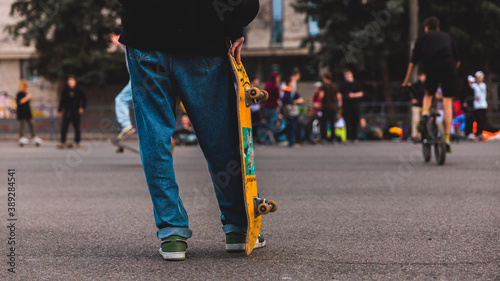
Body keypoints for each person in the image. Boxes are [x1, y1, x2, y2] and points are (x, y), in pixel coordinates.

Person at [118, 0, 264, 261]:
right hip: (203, 37)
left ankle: (172, 232)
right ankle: (238, 228)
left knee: (155, 138)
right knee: (219, 136)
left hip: (144, 37)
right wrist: (234, 24)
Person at [402, 16, 460, 153]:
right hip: (449, 68)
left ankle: (426, 113)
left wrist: (406, 81)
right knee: (447, 103)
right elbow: (457, 60)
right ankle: (446, 139)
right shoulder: (447, 37)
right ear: (438, 27)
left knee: (428, 94)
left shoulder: (422, 38)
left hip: (432, 68)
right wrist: (452, 73)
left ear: (426, 28)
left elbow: (413, 63)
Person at [110, 28, 136, 141]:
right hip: (147, 79)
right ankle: (167, 137)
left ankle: (127, 126)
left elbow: (125, 43)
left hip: (138, 80)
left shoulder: (129, 42)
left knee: (121, 100)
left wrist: (118, 40)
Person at [57, 76, 86, 149]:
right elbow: (62, 101)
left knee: (77, 127)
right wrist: (60, 110)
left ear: (75, 82)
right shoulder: (65, 90)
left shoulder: (78, 90)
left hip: (76, 111)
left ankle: (78, 141)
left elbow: (84, 99)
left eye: (72, 81)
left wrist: (82, 107)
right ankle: (62, 141)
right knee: (64, 127)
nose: (70, 83)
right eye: (69, 81)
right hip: (67, 111)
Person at [339, 70, 364, 142]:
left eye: (348, 76)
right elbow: (340, 93)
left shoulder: (356, 83)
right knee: (347, 121)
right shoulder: (343, 84)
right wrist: (340, 102)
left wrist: (353, 95)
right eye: (345, 76)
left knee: (355, 121)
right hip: (346, 105)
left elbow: (361, 93)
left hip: (355, 105)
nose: (347, 78)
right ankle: (348, 137)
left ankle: (355, 137)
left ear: (351, 76)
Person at [16, 80, 42, 145]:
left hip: (28, 112)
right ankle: (22, 137)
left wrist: (29, 97)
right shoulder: (19, 94)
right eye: (26, 87)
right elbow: (20, 101)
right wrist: (27, 98)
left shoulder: (25, 94)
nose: (27, 89)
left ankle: (34, 136)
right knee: (22, 126)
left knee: (31, 124)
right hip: (22, 113)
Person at [279, 77, 304, 147]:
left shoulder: (286, 90)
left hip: (288, 111)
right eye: (291, 83)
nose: (293, 84)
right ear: (289, 83)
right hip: (289, 111)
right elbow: (285, 99)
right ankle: (291, 142)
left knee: (289, 126)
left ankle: (289, 140)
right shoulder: (287, 90)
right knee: (291, 126)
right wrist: (292, 102)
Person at [319, 72, 340, 143]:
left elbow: (321, 96)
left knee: (324, 123)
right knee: (332, 123)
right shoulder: (334, 86)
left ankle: (323, 138)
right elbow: (338, 96)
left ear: (325, 78)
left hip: (325, 106)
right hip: (333, 107)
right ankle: (333, 137)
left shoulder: (323, 86)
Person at [410, 73, 426, 140]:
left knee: (422, 122)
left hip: (424, 106)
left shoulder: (427, 85)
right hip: (416, 105)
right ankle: (414, 135)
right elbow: (409, 92)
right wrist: (411, 99)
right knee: (415, 120)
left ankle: (421, 135)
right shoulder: (415, 85)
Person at [472, 71, 488, 140]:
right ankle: (477, 133)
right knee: (478, 120)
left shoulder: (483, 85)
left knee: (483, 120)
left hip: (483, 104)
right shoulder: (473, 86)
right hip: (477, 105)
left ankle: (481, 133)